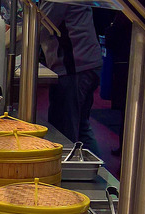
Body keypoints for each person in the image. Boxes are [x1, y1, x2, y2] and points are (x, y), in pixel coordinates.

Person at [39, 2, 103, 156]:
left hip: (75, 67)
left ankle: (68, 174)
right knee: (81, 129)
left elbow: (40, 26)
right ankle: (97, 173)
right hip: (84, 64)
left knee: (65, 133)